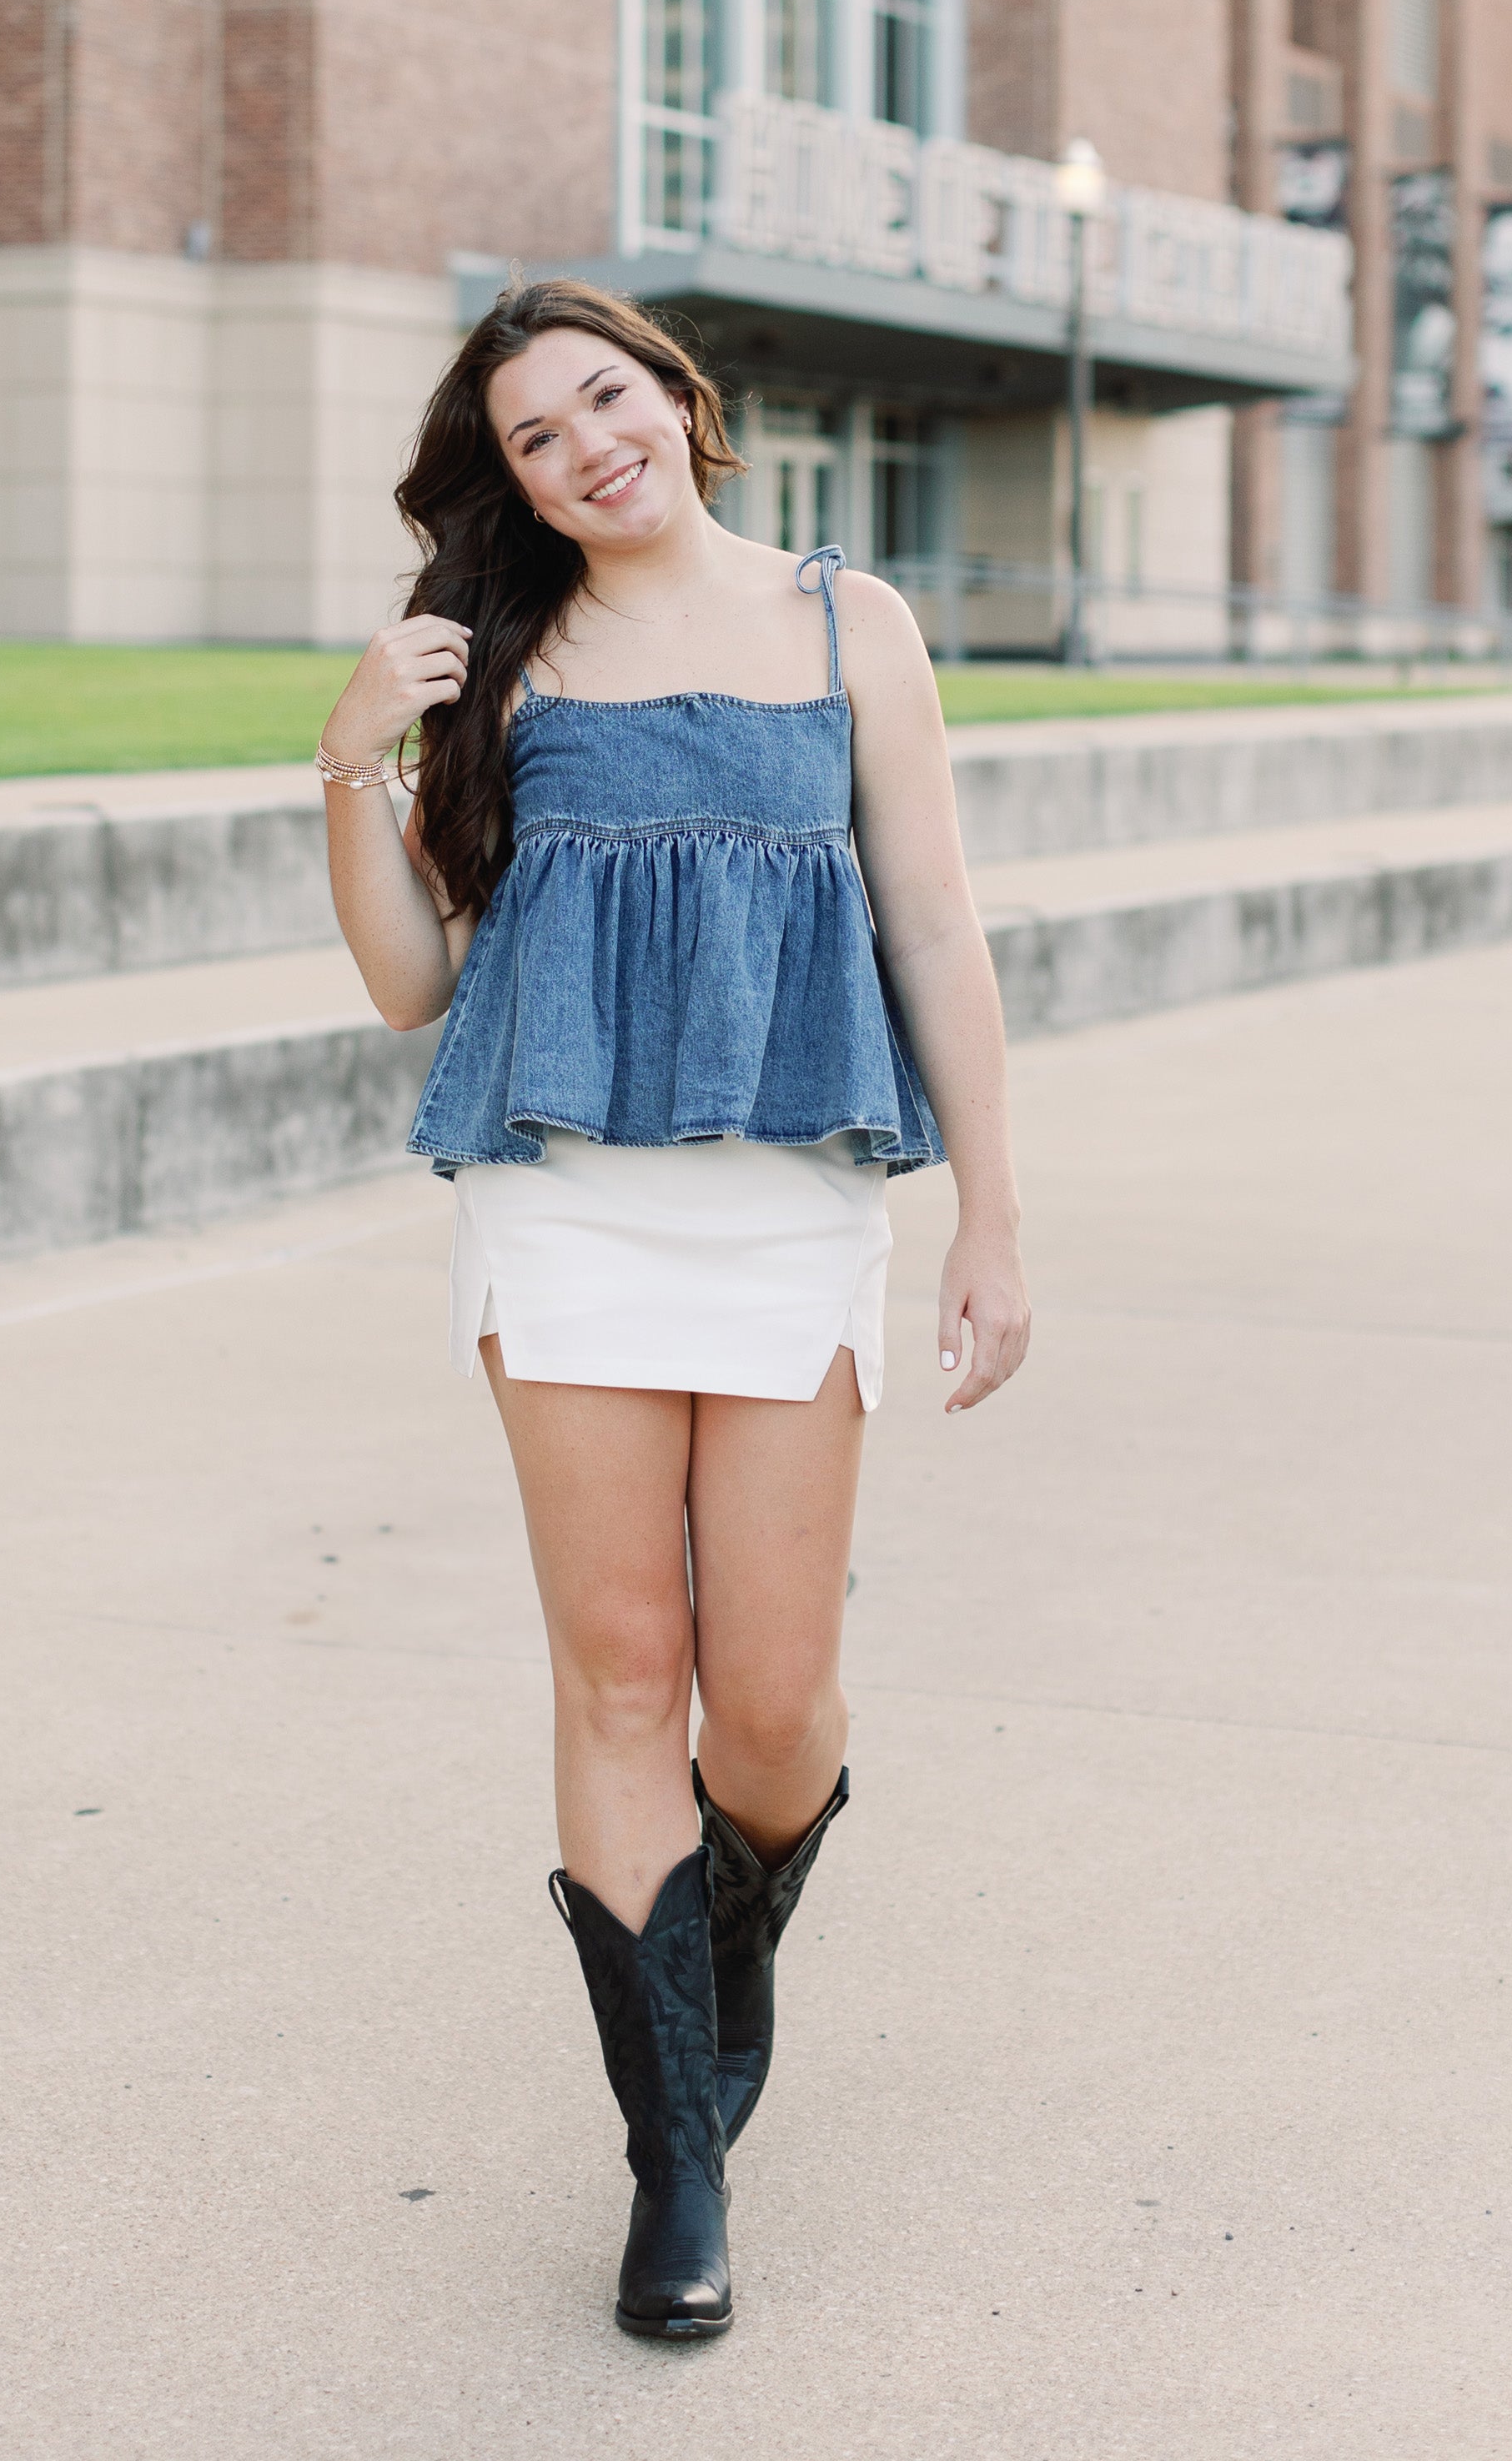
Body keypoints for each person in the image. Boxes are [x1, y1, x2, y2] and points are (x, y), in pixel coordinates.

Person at [318, 278, 1032, 2338]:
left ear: (678, 400)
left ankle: (718, 1942)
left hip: (790, 1207)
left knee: (775, 1706)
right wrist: (345, 761)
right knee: (620, 1668)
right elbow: (411, 983)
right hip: (563, 1211)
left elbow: (933, 923)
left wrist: (993, 1211)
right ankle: (675, 2161)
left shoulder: (849, 622)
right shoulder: (511, 655)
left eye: (600, 399)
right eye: (533, 437)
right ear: (515, 481)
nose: (578, 449)